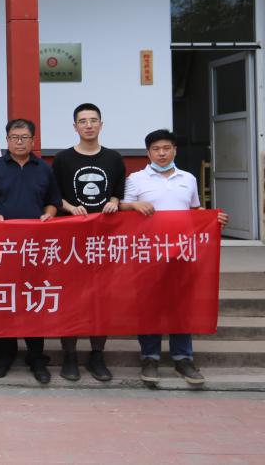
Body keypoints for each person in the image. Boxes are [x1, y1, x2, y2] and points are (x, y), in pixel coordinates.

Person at [121, 129, 229, 387]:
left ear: (175, 150)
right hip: (148, 253)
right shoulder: (136, 179)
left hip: (182, 252)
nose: (161, 153)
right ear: (148, 153)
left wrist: (213, 219)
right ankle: (150, 357)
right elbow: (122, 208)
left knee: (181, 304)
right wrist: (134, 205)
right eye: (156, 149)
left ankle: (183, 358)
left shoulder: (188, 179)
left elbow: (195, 211)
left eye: (166, 148)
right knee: (149, 305)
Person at [0, 118, 61, 384]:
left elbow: (53, 202)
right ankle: (4, 356)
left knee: (34, 300)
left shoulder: (44, 169)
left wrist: (49, 215)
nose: (19, 142)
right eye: (14, 137)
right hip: (2, 248)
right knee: (3, 300)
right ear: (7, 140)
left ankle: (36, 357)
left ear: (33, 140)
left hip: (34, 248)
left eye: (24, 137)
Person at [51, 103, 126, 383]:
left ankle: (97, 355)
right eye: (83, 121)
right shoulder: (62, 159)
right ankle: (69, 355)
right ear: (75, 127)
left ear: (101, 125)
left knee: (100, 299)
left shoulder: (114, 159)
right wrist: (70, 207)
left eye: (93, 120)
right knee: (70, 298)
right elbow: (54, 195)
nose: (89, 125)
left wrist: (114, 201)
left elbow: (118, 191)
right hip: (71, 240)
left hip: (104, 239)